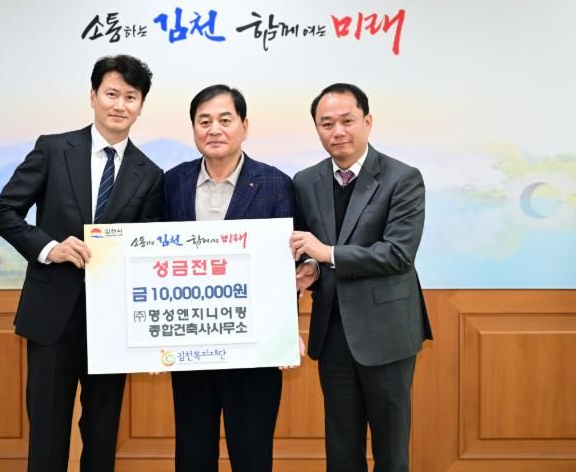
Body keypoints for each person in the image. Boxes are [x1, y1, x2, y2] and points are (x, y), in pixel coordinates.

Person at [0, 55, 163, 472]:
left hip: (114, 325)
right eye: (112, 93)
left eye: (131, 97)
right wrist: (49, 247)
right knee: (48, 432)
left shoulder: (151, 174)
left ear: (141, 106)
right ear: (93, 96)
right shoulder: (53, 149)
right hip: (52, 317)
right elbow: (4, 212)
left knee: (102, 434)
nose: (120, 105)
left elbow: (148, 251)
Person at [290, 83, 432, 472]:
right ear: (317, 129)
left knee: (391, 451)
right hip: (332, 331)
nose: (337, 131)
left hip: (387, 333)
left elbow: (398, 254)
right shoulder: (305, 181)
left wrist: (328, 254)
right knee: (341, 448)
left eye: (347, 121)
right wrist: (311, 267)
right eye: (326, 124)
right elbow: (308, 248)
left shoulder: (403, 178)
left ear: (367, 122)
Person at [163, 84, 297, 472]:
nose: (214, 129)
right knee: (193, 453)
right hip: (190, 343)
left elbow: (289, 265)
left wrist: (283, 332)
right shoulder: (172, 183)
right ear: (193, 128)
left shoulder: (276, 184)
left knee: (252, 454)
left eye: (225, 119)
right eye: (204, 121)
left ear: (244, 126)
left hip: (255, 346)